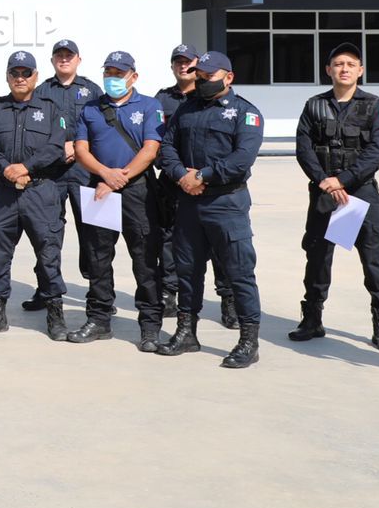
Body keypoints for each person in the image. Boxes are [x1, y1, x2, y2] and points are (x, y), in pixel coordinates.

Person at [155, 51, 264, 368]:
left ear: (228, 77)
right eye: (198, 76)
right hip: (189, 203)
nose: (201, 81)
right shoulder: (186, 109)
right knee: (187, 271)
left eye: (208, 77)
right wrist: (181, 176)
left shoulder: (246, 113)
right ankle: (186, 332)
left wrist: (201, 175)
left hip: (226, 204)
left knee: (239, 273)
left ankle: (248, 341)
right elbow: (167, 147)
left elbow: (241, 158)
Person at [290, 42, 379, 351]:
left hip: (359, 193)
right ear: (328, 70)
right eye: (338, 64)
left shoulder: (375, 105)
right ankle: (312, 319)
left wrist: (344, 180)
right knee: (318, 258)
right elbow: (304, 148)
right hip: (325, 193)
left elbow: (377, 152)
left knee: (373, 259)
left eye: (351, 64)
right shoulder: (314, 105)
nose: (344, 68)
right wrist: (325, 180)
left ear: (360, 70)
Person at [72, 51, 166, 351]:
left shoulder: (150, 106)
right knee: (98, 257)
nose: (113, 78)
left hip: (137, 191)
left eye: (119, 73)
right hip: (99, 188)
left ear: (133, 77)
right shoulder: (90, 108)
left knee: (145, 259)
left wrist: (119, 179)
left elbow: (151, 150)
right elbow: (81, 149)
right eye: (109, 72)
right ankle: (99, 319)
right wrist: (104, 175)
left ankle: (150, 326)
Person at [0, 51, 70, 341]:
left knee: (49, 254)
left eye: (26, 73)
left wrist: (26, 167)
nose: (20, 78)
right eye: (15, 73)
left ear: (35, 77)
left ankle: (55, 316)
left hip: (40, 192)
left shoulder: (51, 109)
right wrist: (7, 169)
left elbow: (56, 147)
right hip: (4, 193)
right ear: (7, 77)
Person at [154, 43, 237, 327]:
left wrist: (201, 177)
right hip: (173, 181)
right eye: (177, 62)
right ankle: (169, 292)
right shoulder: (163, 99)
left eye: (188, 62)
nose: (183, 67)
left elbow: (233, 151)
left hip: (210, 187)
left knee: (217, 245)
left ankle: (227, 298)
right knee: (170, 240)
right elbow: (161, 144)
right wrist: (181, 175)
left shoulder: (219, 102)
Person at [25, 38, 101, 311]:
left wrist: (80, 147)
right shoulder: (42, 90)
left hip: (85, 171)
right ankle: (46, 290)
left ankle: (98, 293)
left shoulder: (92, 90)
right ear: (52, 60)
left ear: (78, 59)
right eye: (59, 55)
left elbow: (101, 127)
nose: (64, 59)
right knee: (46, 232)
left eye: (69, 55)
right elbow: (34, 132)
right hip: (51, 173)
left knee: (93, 232)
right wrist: (59, 148)